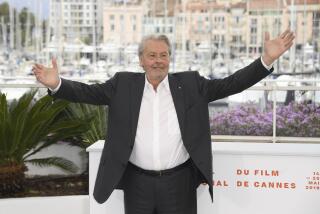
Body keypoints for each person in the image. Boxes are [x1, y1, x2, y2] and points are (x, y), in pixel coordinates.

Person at [33, 30, 295, 214]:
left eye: (163, 55)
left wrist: (267, 60)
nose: (158, 60)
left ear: (170, 58)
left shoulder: (192, 85)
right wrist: (56, 83)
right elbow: (86, 93)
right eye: (152, 55)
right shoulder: (123, 85)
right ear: (141, 60)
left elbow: (232, 84)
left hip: (179, 183)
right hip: (137, 183)